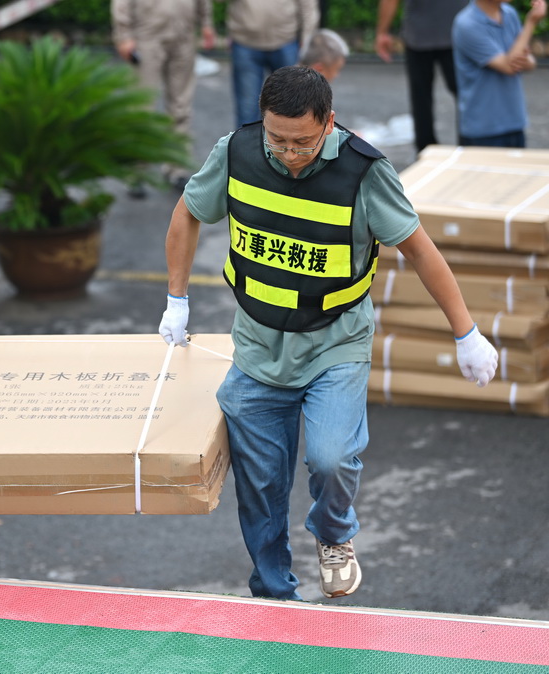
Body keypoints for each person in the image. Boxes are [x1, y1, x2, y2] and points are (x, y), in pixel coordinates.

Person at [157, 66, 498, 600]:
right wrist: (177, 298)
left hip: (334, 344)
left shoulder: (365, 173)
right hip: (257, 345)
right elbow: (187, 213)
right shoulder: (236, 152)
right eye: (278, 139)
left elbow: (420, 251)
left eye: (303, 142)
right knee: (262, 487)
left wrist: (466, 333)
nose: (288, 154)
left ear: (330, 123)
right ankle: (273, 591)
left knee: (332, 457)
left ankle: (334, 535)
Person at [111, 0, 214, 193]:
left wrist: (206, 22)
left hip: (183, 36)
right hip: (147, 37)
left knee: (181, 107)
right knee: (141, 107)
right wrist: (124, 35)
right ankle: (136, 172)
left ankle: (177, 168)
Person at [375, 0, 468, 155]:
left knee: (421, 96)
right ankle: (469, 146)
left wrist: (382, 32)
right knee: (466, 94)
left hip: (419, 32)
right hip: (458, 29)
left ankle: (426, 150)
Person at [209, 0, 319, 128]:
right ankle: (246, 147)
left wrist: (307, 39)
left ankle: (289, 147)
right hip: (245, 42)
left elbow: (308, 4)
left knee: (291, 108)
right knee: (247, 109)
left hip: (286, 41)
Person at [452, 0, 546, 148]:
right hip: (484, 129)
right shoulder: (467, 23)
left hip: (515, 122)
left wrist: (523, 59)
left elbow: (529, 61)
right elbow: (509, 66)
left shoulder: (509, 13)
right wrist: (531, 22)